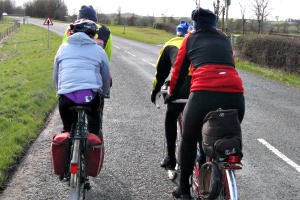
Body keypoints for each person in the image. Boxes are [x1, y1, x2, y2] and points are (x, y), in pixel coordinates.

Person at [167, 8, 245, 199]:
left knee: (188, 139)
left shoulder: (190, 39)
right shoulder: (225, 40)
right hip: (235, 94)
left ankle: (183, 188)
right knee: (221, 133)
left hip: (203, 94)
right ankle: (214, 171)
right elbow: (231, 65)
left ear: (195, 25)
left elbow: (178, 72)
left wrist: (172, 94)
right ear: (214, 24)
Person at [53, 19, 110, 137]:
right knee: (94, 130)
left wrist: (61, 91)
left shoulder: (62, 48)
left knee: (67, 131)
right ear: (91, 35)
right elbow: (105, 77)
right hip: (92, 99)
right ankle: (94, 140)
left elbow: (56, 76)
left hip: (66, 99)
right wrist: (102, 93)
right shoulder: (99, 50)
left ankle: (68, 146)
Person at [151, 20, 193, 170]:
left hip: (181, 86)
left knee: (171, 115)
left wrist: (155, 91)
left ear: (178, 33)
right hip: (199, 85)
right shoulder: (196, 42)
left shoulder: (171, 43)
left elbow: (161, 72)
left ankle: (171, 157)